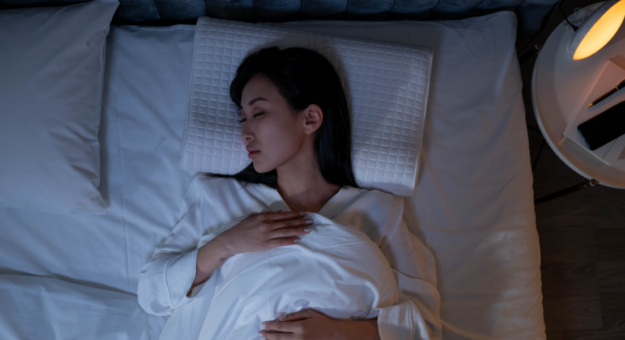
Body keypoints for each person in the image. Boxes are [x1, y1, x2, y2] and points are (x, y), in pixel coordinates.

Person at [138, 47, 441, 340]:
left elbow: (424, 327)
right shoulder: (218, 197)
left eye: (258, 113)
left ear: (310, 118)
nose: (245, 131)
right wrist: (227, 243)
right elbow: (152, 295)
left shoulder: (378, 210)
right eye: (243, 117)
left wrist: (337, 333)